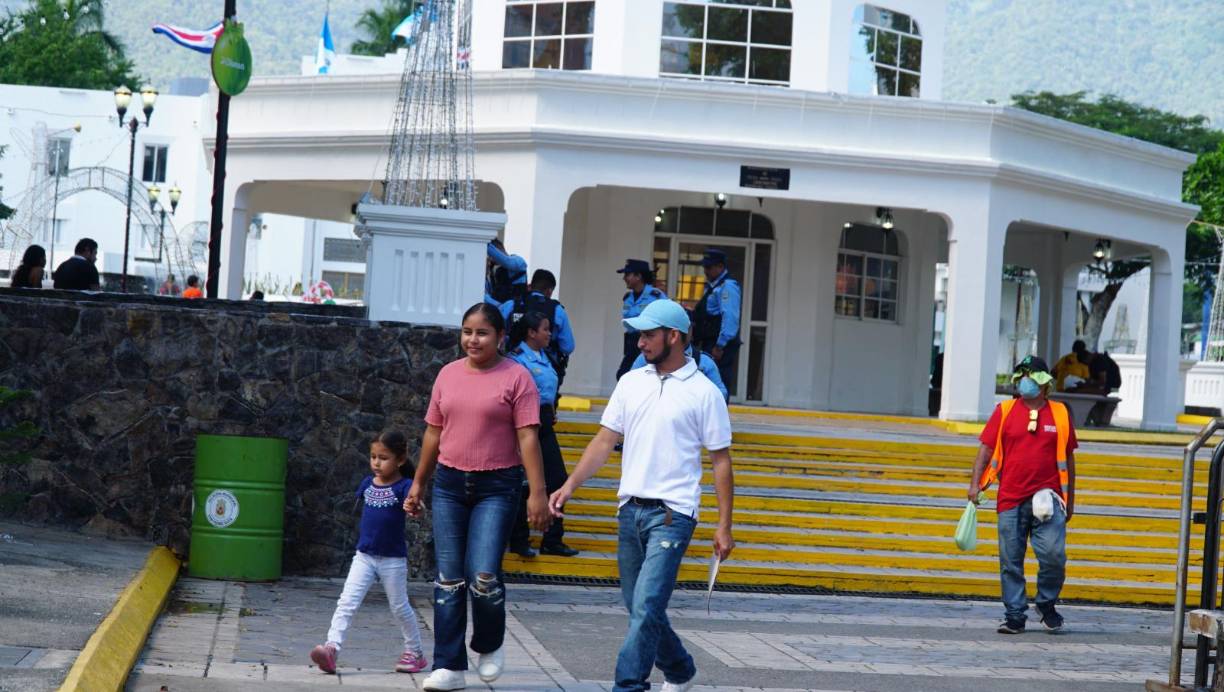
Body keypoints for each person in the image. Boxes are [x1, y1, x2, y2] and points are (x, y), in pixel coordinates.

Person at [549, 299, 735, 692]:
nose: (640, 343)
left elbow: (721, 462)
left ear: (674, 336)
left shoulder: (705, 393)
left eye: (648, 335)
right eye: (639, 335)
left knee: (648, 605)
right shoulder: (631, 382)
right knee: (639, 607)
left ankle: (629, 685)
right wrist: (569, 486)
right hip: (629, 510)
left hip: (674, 515)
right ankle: (681, 669)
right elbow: (603, 441)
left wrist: (724, 525)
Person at [403, 303, 551, 692]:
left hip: (498, 487)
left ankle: (489, 644)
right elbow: (434, 432)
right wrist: (419, 482)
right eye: (467, 331)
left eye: (482, 332)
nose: (473, 339)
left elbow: (528, 438)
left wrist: (537, 493)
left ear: (501, 337)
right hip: (450, 485)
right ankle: (449, 666)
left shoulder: (517, 378)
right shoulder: (447, 375)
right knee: (449, 579)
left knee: (483, 575)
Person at [967, 355, 1076, 635]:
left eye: (1031, 374)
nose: (1025, 379)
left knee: (1054, 555)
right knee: (1010, 560)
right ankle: (1015, 614)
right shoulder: (1003, 411)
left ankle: (1046, 602)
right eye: (1021, 375)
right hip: (1011, 497)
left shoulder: (1061, 413)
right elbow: (985, 449)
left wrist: (1070, 499)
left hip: (1048, 498)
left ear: (1043, 382)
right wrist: (975, 484)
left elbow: (1069, 459)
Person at [309, 431, 427, 675]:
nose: (376, 462)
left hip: (392, 560)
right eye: (373, 456)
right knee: (347, 602)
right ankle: (332, 648)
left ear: (400, 460)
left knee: (399, 606)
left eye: (383, 457)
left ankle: (414, 652)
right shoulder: (366, 484)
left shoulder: (404, 486)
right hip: (364, 557)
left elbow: (417, 507)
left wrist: (415, 508)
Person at [506, 311, 579, 558]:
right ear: (531, 332)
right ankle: (519, 539)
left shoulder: (545, 356)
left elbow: (548, 390)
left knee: (558, 480)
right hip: (525, 423)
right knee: (525, 483)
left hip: (545, 422)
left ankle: (552, 538)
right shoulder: (517, 359)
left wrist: (551, 410)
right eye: (546, 328)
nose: (550, 333)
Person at [500, 269, 575, 389]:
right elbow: (568, 347)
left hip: (510, 366)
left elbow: (496, 332)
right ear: (549, 291)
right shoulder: (557, 310)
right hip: (546, 369)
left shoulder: (511, 305)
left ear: (531, 285)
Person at [629, 321, 727, 401]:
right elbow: (630, 387)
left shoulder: (704, 362)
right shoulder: (645, 357)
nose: (683, 332)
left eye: (687, 327)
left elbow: (721, 394)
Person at [691, 248, 742, 390]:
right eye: (704, 267)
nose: (705, 271)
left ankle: (719, 412)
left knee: (717, 384)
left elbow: (730, 317)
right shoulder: (713, 286)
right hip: (710, 342)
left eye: (708, 267)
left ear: (720, 267)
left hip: (718, 345)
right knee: (708, 382)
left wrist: (720, 345)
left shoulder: (727, 287)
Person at [616, 259, 665, 379]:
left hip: (649, 341)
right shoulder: (628, 297)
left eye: (627, 274)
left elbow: (666, 316)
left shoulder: (655, 295)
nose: (624, 278)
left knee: (645, 375)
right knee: (623, 375)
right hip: (631, 341)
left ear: (638, 276)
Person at [485, 239, 527, 305]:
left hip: (516, 308)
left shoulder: (519, 261)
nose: (490, 260)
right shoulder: (494, 270)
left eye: (491, 256)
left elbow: (506, 261)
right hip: (501, 308)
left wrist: (485, 244)